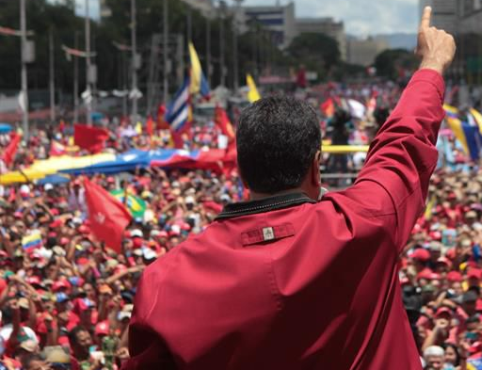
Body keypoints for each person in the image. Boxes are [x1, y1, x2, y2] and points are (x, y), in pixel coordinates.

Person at [124, 6, 456, 369]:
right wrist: (432, 66)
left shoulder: (165, 281)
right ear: (316, 167)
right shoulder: (365, 223)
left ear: (241, 171)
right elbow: (402, 144)